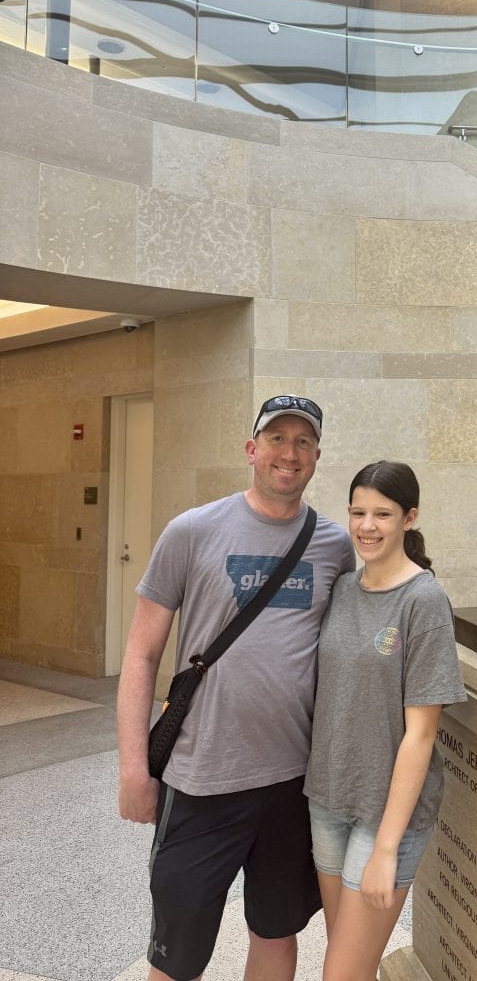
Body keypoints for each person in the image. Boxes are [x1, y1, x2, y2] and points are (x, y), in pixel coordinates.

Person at [117, 394, 355, 981]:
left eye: (303, 442)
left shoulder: (334, 546)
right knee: (177, 955)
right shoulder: (192, 531)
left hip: (293, 784)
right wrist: (132, 769)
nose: (288, 453)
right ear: (251, 450)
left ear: (317, 457)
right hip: (201, 780)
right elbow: (141, 653)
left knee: (276, 932)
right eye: (277, 438)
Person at [303, 460, 467, 981]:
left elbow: (421, 735)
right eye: (357, 512)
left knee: (341, 973)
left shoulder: (424, 600)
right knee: (348, 958)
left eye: (382, 513)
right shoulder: (344, 589)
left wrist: (387, 849)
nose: (366, 526)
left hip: (386, 817)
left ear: (409, 518)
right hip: (328, 799)